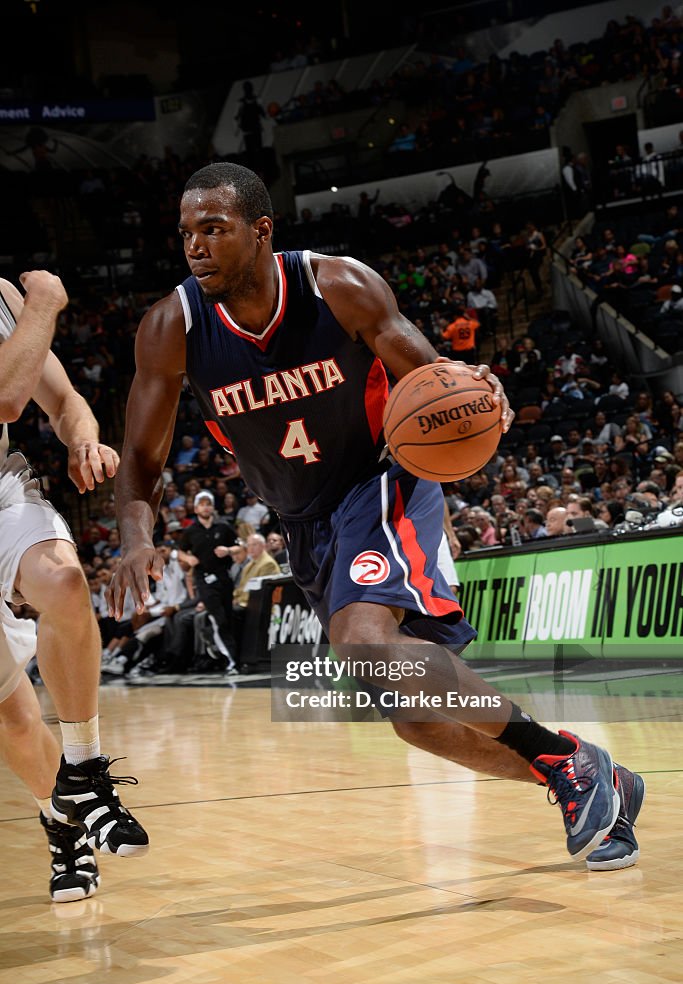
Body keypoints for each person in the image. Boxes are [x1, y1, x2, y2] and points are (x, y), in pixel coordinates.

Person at [110, 163, 643, 871]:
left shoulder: (338, 286)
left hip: (379, 481)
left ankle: (563, 759)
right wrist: (134, 539)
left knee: (366, 642)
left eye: (214, 228)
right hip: (304, 520)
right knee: (416, 720)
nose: (196, 247)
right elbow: (141, 459)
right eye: (186, 234)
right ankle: (583, 775)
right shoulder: (169, 328)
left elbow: (431, 382)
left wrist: (475, 392)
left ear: (260, 230)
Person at [0, 273, 148, 903]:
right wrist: (47, 305)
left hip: (1, 491)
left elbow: (59, 401)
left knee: (61, 578)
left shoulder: (3, 296)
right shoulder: (30, 301)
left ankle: (84, 768)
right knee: (12, 719)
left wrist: (83, 436)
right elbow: (5, 398)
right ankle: (61, 824)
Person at [177, 490, 239, 673]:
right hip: (203, 579)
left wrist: (228, 550)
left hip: (223, 577)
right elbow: (179, 551)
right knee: (218, 617)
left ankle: (219, 648)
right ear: (196, 508)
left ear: (213, 507)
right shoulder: (190, 531)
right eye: (202, 504)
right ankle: (232, 660)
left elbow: (239, 545)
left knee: (228, 616)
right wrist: (188, 560)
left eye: (209, 503)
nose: (206, 507)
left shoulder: (224, 526)